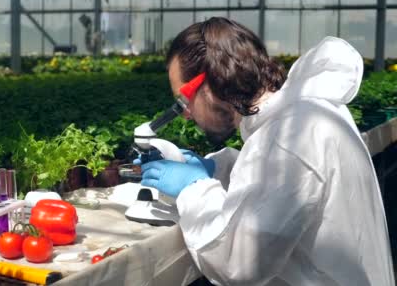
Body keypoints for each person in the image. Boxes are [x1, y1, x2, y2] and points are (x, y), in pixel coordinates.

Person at [139, 17, 394, 285]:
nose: (186, 115)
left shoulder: (292, 137)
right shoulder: (302, 115)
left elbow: (238, 262)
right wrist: (220, 168)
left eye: (183, 101)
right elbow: (274, 185)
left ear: (210, 82)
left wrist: (194, 188)